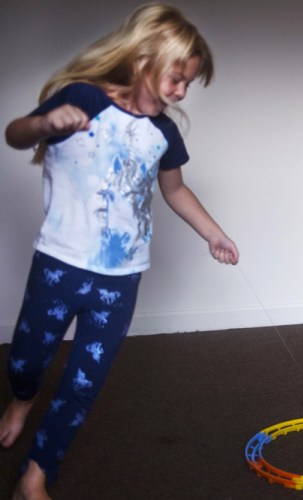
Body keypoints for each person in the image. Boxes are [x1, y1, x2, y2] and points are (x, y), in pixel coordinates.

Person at [0, 5, 239, 498]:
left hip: (121, 277)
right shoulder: (83, 98)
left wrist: (213, 233)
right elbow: (15, 134)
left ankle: (36, 473)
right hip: (59, 265)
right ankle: (22, 399)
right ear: (142, 58)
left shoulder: (164, 133)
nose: (181, 92)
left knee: (85, 382)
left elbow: (174, 190)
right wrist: (44, 124)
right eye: (177, 78)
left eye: (188, 84)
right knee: (26, 360)